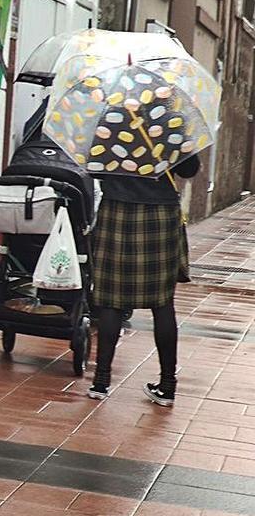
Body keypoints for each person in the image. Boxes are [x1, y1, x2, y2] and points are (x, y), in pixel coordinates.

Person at [87, 105, 201, 407]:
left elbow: (93, 166)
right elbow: (189, 170)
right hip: (160, 214)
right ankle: (167, 385)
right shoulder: (171, 119)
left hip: (116, 211)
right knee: (162, 302)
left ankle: (100, 382)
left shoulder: (109, 117)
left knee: (110, 299)